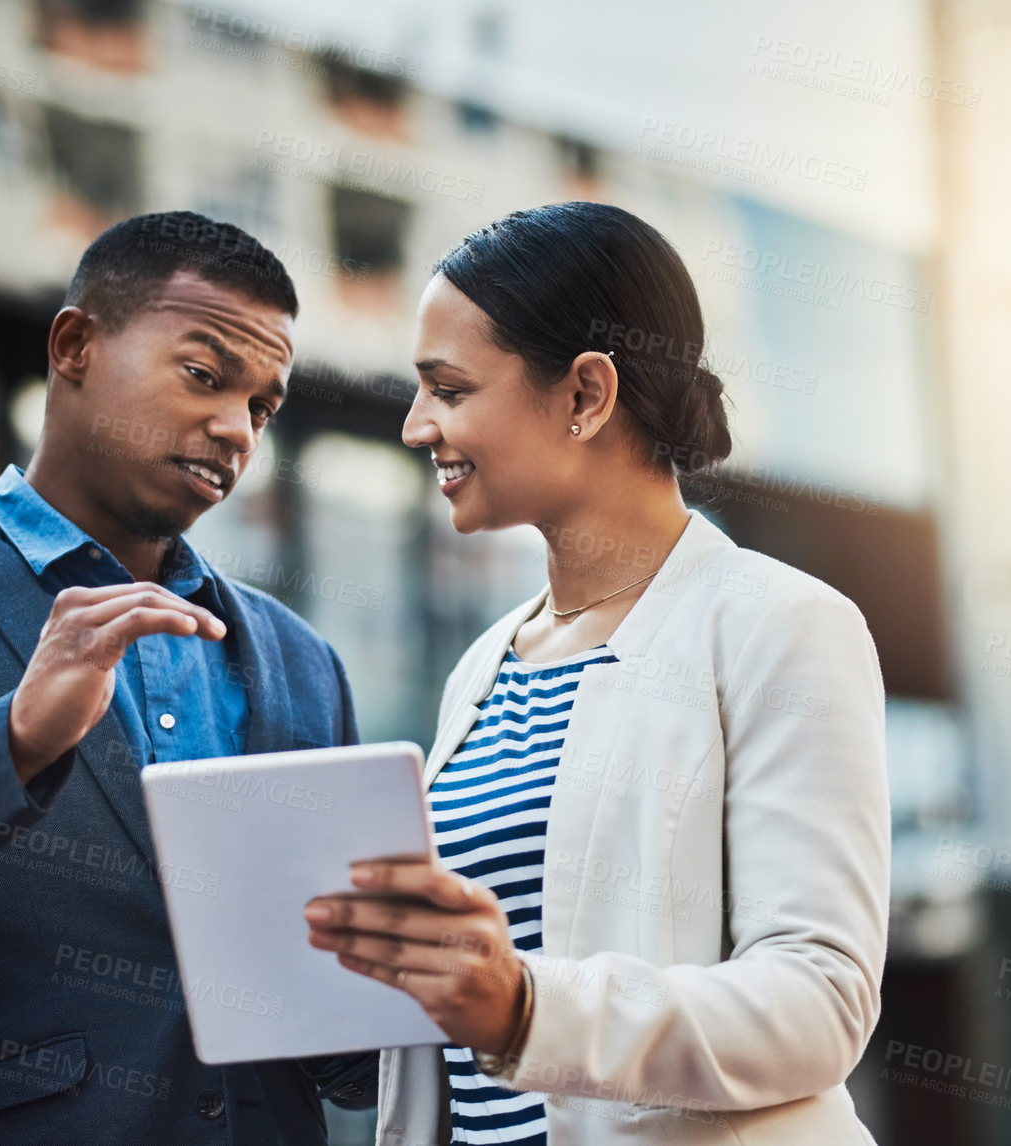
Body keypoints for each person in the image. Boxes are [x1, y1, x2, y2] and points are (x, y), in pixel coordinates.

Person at [303, 201, 890, 1145]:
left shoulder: (780, 626)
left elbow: (817, 1004)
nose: (416, 427)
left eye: (449, 390)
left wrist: (526, 1010)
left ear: (585, 394)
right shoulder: (484, 667)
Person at [0, 211, 377, 1143]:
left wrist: (405, 969)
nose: (235, 429)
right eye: (203, 375)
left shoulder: (302, 659)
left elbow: (344, 1059)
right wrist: (13, 745)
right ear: (74, 346)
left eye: (263, 407)